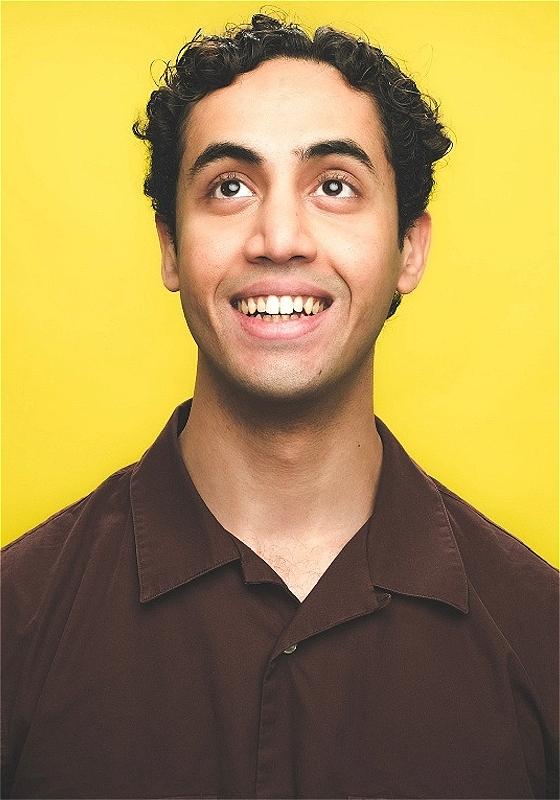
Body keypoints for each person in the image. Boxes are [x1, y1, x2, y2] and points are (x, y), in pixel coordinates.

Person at [2, 13, 558, 800]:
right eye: (230, 187)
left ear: (409, 249)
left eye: (334, 185)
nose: (280, 237)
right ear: (170, 245)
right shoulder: (15, 623)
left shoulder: (542, 635)